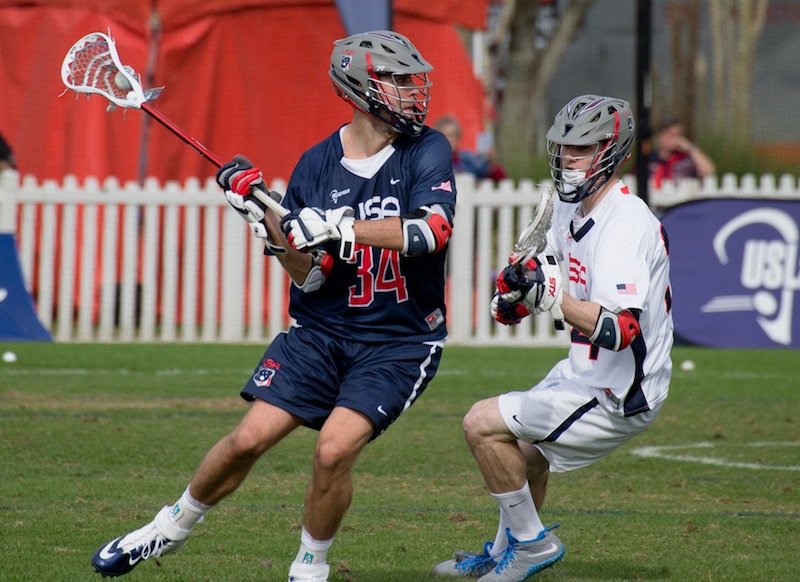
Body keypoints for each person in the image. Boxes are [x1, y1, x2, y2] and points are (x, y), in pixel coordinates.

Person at [90, 30, 457, 582]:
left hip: (397, 342)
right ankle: (168, 528)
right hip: (321, 332)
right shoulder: (316, 164)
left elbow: (432, 231)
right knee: (246, 440)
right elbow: (312, 276)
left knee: (332, 452)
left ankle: (310, 567)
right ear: (359, 88)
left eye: (412, 80)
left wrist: (336, 226)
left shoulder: (428, 148)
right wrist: (265, 221)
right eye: (398, 80)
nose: (413, 91)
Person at [433, 95, 673, 581]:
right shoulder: (570, 208)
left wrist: (551, 299)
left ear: (613, 151)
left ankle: (532, 546)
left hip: (620, 389)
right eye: (564, 147)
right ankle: (508, 552)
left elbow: (620, 330)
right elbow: (552, 285)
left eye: (582, 148)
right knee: (524, 455)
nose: (568, 158)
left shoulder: (626, 222)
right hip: (584, 371)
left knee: (480, 424)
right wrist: (519, 298)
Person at [435, 115, 507, 182]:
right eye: (448, 135)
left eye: (455, 135)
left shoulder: (468, 159)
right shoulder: (433, 162)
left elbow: (499, 176)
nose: (451, 139)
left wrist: (491, 162)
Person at [648, 117, 715, 188]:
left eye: (677, 135)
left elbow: (709, 171)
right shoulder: (649, 160)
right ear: (659, 137)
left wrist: (690, 147)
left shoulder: (686, 160)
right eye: (669, 134)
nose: (673, 139)